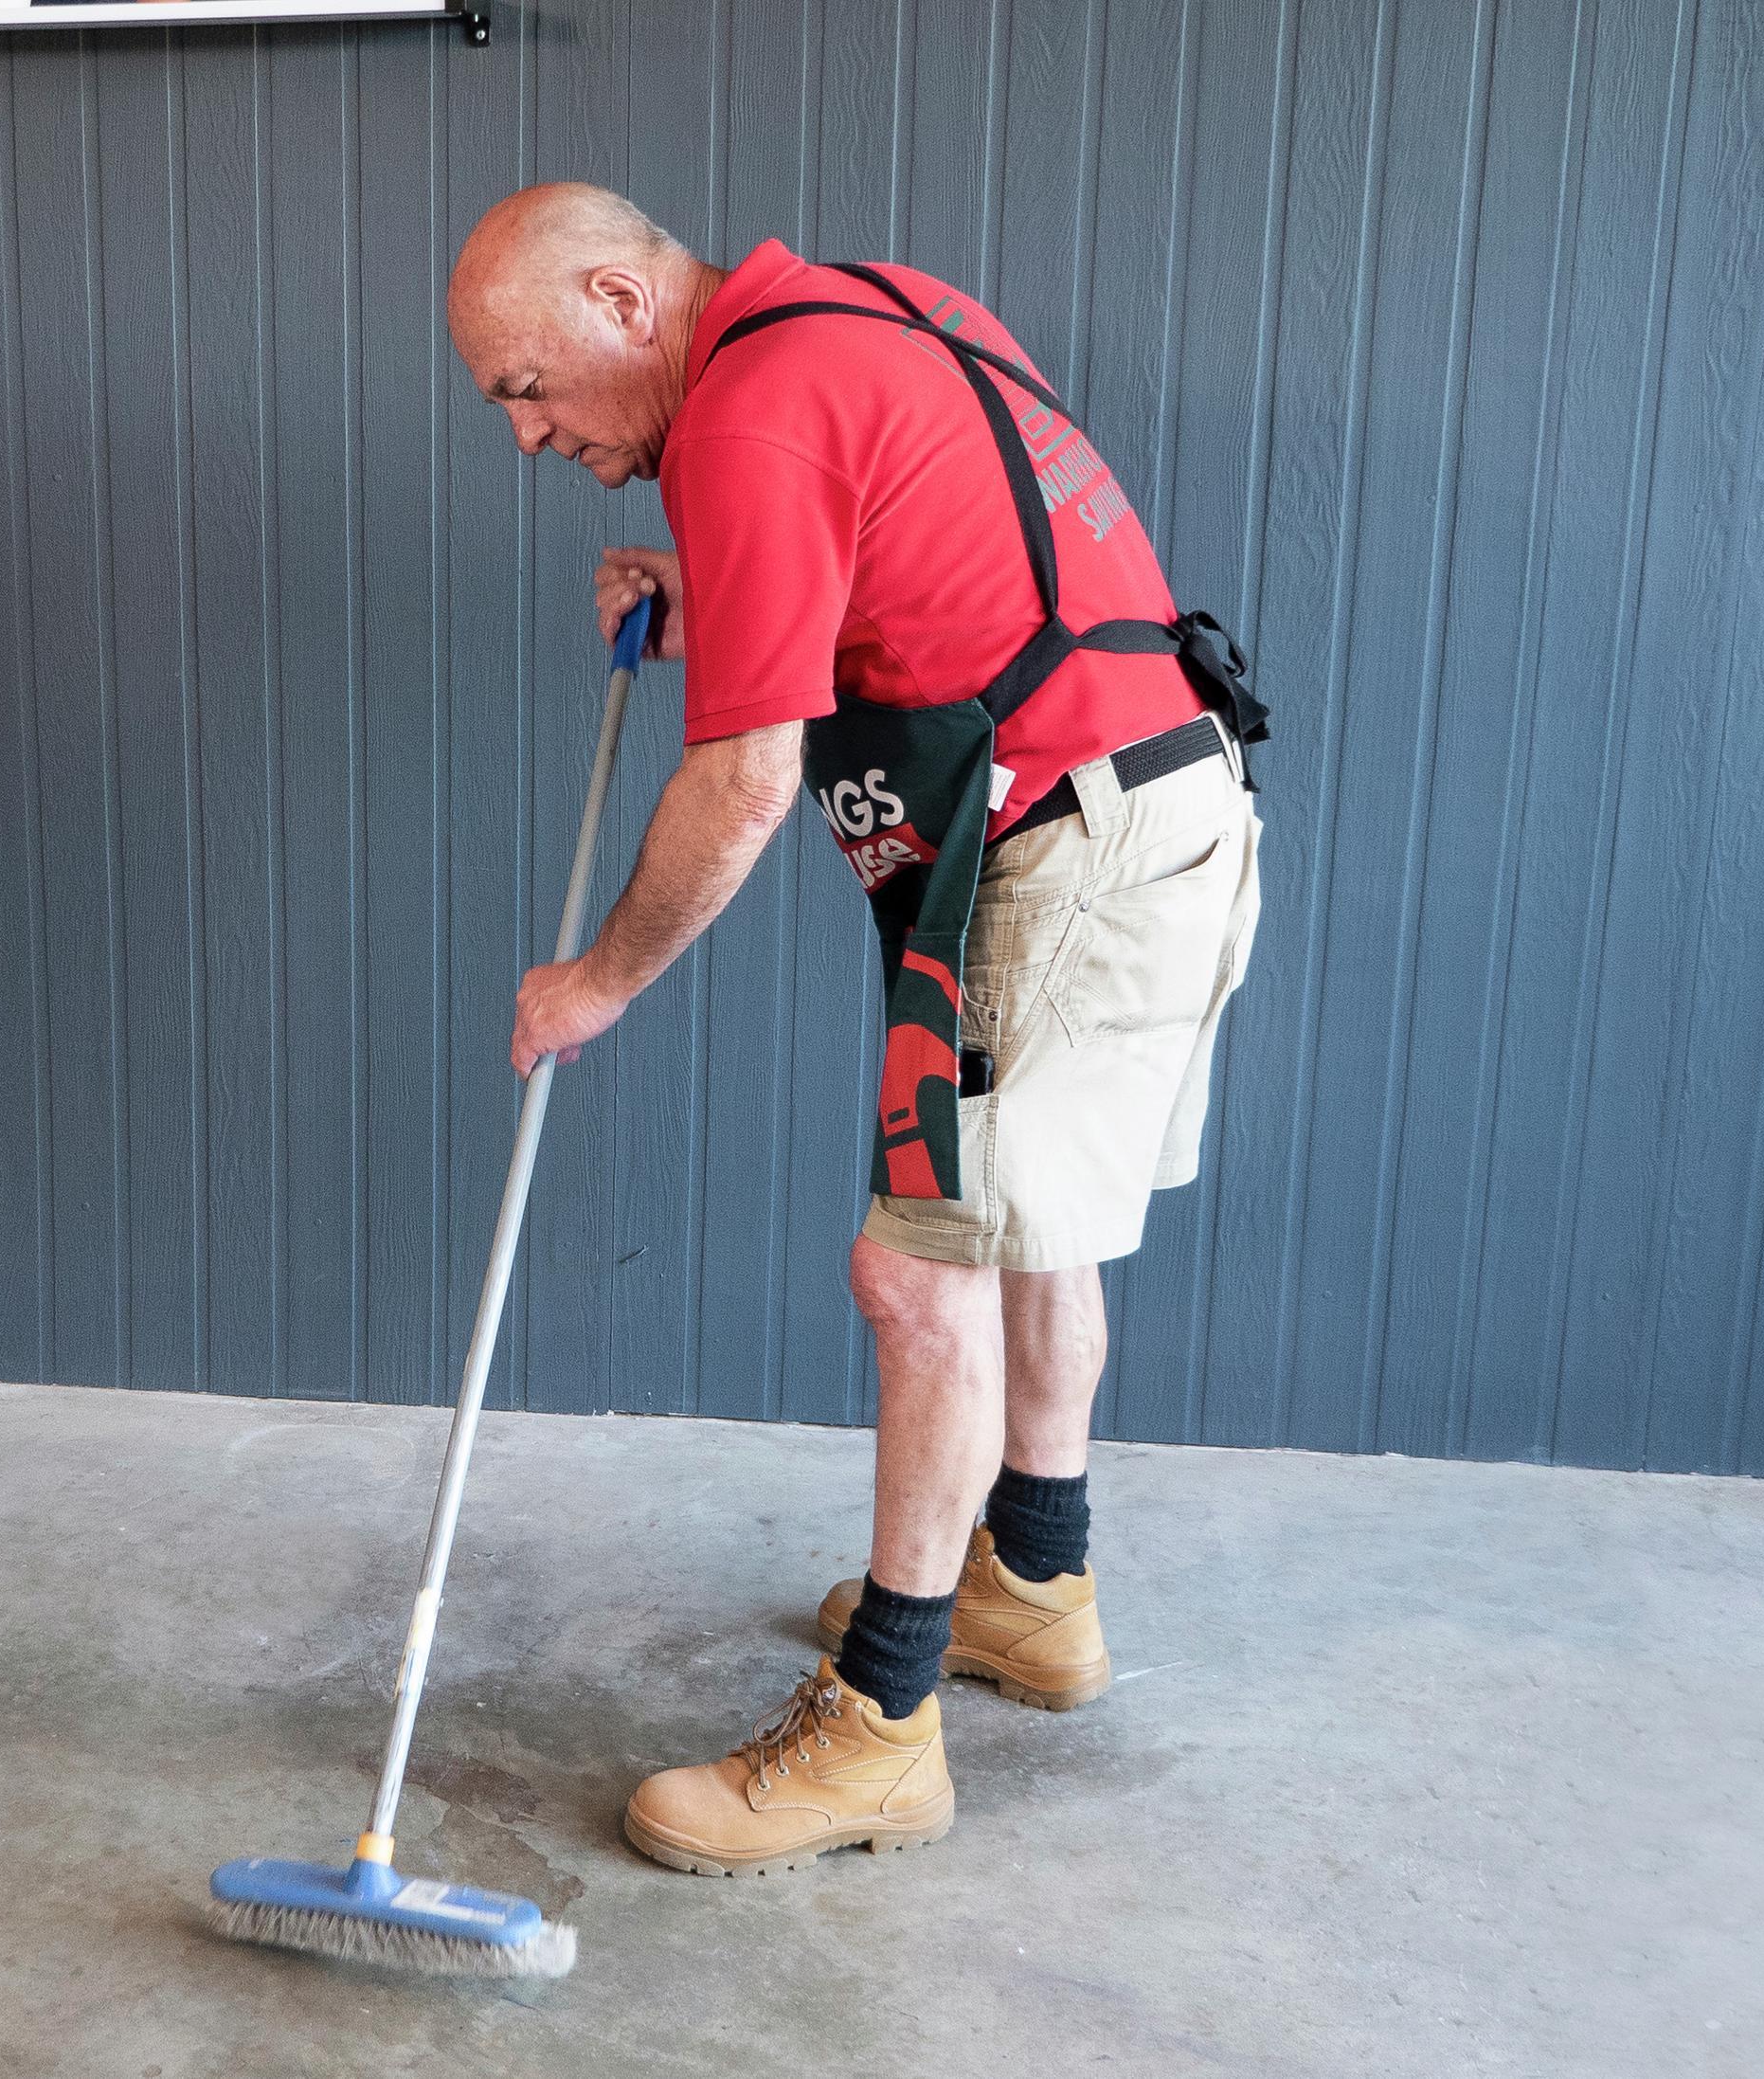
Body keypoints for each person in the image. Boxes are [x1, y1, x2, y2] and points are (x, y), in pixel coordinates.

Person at [446, 183, 1267, 1878]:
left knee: (921, 1271)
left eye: (525, 385)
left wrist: (593, 980)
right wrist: (725, 587)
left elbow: (747, 780)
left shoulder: (747, 413)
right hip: (1154, 798)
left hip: (1066, 841)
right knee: (1019, 1226)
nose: (528, 434)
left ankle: (880, 1730)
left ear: (618, 297)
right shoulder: (866, 307)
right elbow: (923, 560)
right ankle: (1032, 1586)